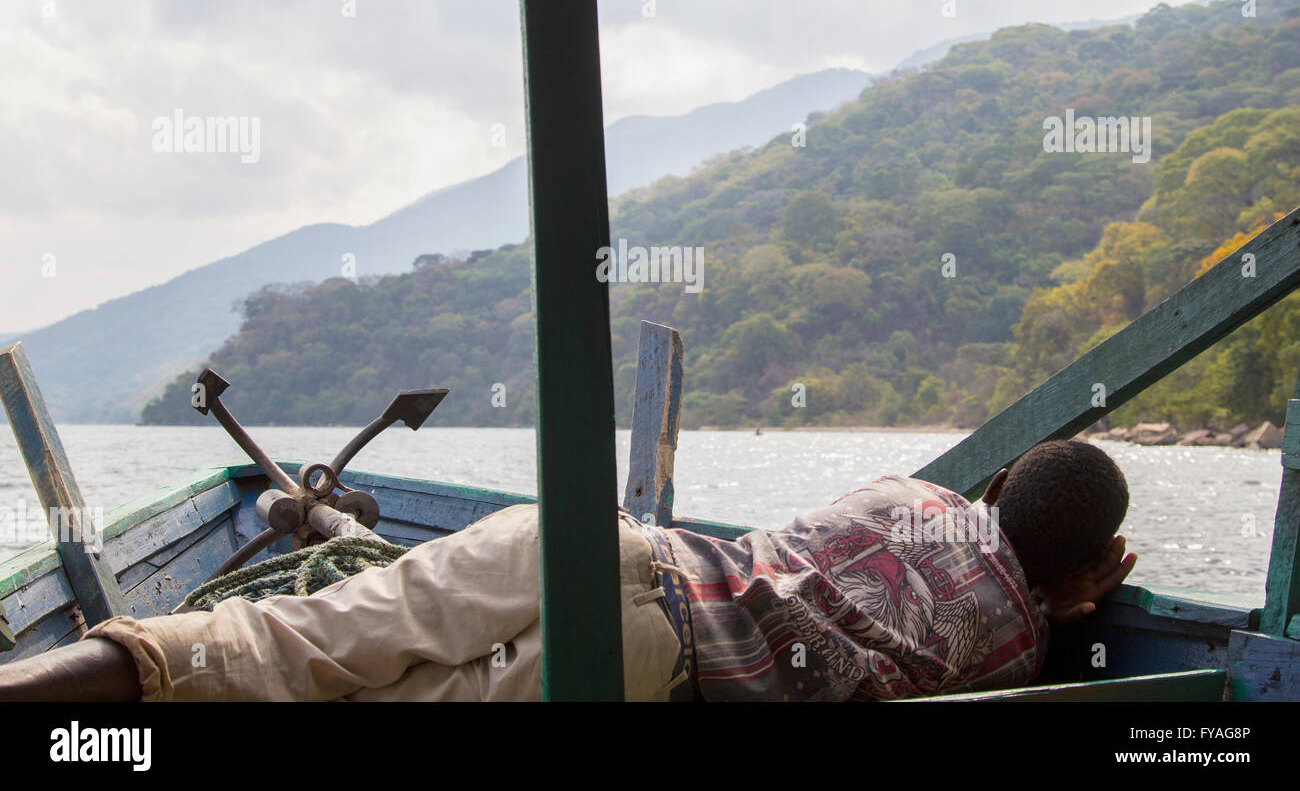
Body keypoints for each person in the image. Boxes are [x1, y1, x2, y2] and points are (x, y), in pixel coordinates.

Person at [0, 439, 1135, 701]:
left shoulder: (911, 494)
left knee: (296, 635)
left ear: (993, 490)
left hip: (599, 542)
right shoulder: (1015, 640)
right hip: (650, 656)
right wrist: (1065, 601)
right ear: (1083, 563)